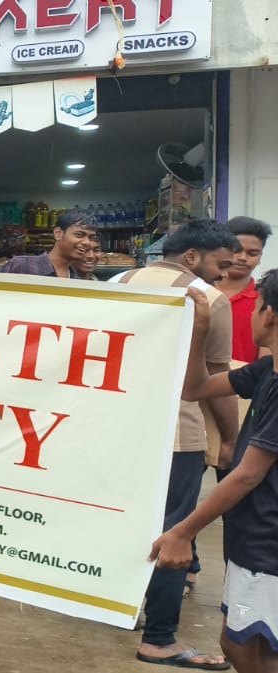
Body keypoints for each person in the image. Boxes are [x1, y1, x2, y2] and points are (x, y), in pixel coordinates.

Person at [116, 219, 242, 671]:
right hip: (175, 435)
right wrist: (231, 438)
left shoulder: (119, 281)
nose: (224, 274)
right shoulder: (210, 299)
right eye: (221, 264)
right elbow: (215, 381)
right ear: (191, 256)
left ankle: (121, 607)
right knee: (175, 535)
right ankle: (159, 639)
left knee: (123, 522)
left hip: (117, 428)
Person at [154, 271, 278, 673]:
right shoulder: (265, 371)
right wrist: (200, 332)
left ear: (269, 314)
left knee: (249, 646)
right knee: (240, 641)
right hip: (252, 535)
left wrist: (182, 531)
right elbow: (194, 388)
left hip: (267, 542)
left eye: (256, 307)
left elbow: (247, 474)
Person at [217, 217, 272, 364]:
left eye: (252, 253)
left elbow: (266, 363)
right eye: (236, 250)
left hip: (244, 379)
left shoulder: (266, 301)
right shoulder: (197, 293)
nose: (242, 258)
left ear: (260, 257)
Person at [0, 209, 100, 279]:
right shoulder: (21, 266)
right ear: (58, 233)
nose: (87, 242)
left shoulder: (76, 279)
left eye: (91, 238)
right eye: (79, 235)